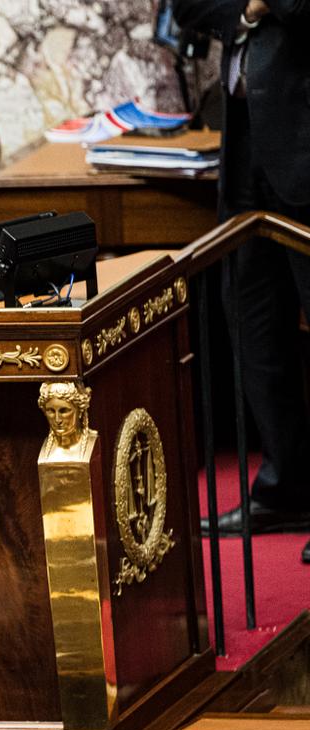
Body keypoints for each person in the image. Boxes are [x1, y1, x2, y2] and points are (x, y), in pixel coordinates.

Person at [173, 0, 310, 563]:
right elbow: (188, 8)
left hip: (303, 143)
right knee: (253, 325)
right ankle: (290, 487)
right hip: (245, 149)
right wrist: (250, 10)